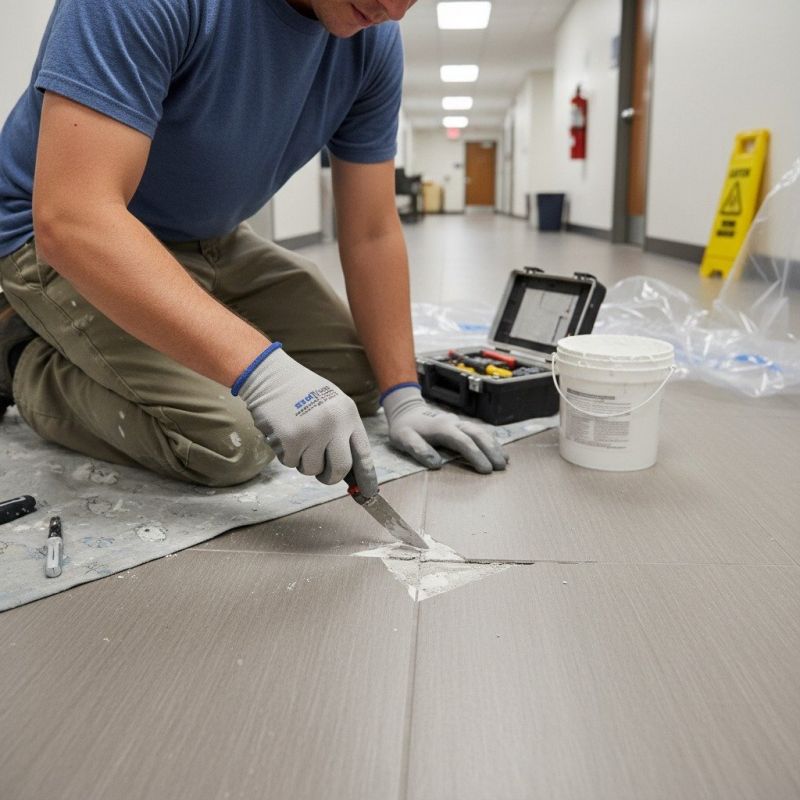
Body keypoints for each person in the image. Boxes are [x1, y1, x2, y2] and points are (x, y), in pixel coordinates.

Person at [0, 0, 507, 495]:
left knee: (354, 381)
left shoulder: (371, 41)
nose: (394, 10)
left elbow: (372, 231)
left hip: (210, 237)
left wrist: (404, 398)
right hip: (53, 238)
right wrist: (263, 373)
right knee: (227, 442)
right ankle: (20, 357)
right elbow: (75, 218)